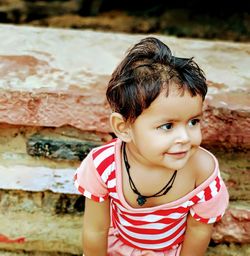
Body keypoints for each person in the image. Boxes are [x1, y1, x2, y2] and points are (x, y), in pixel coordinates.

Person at [74, 37, 229, 256]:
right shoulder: (104, 166)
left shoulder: (201, 174)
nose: (185, 137)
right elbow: (95, 230)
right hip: (116, 248)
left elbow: (198, 233)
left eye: (193, 122)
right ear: (124, 127)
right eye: (167, 126)